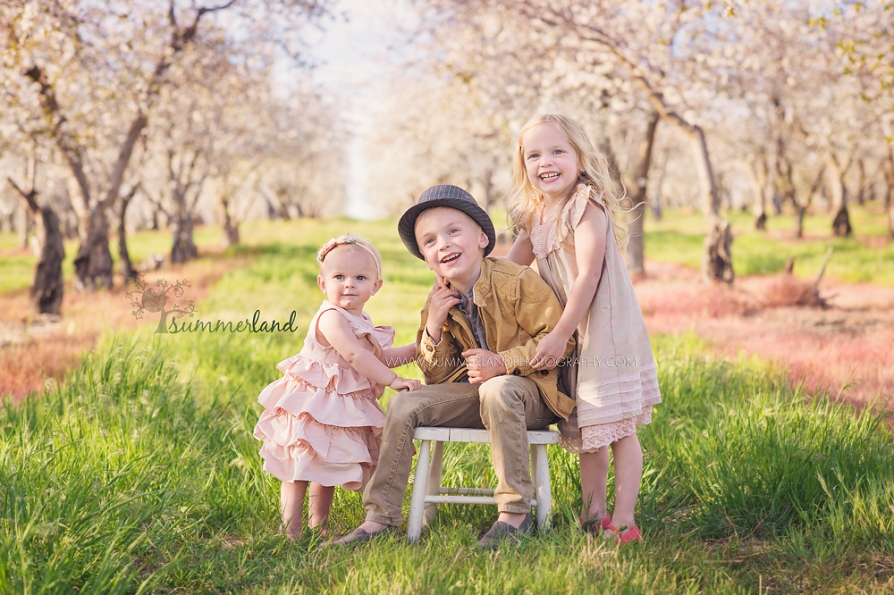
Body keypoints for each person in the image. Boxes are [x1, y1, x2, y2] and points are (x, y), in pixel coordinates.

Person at [334, 185, 575, 549]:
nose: (442, 244)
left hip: (533, 394)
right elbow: (437, 377)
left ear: (482, 238)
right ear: (428, 261)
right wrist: (432, 325)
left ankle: (514, 514)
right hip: (478, 396)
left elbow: (560, 340)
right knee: (405, 402)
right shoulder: (440, 299)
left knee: (498, 388)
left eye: (453, 231)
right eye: (429, 241)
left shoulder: (517, 281)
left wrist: (503, 363)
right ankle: (380, 518)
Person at [505, 114, 662, 544]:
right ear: (524, 164)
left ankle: (625, 521)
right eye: (534, 154)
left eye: (557, 151)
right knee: (587, 429)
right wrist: (460, 274)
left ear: (579, 157)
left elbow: (589, 276)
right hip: (571, 332)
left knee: (617, 426)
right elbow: (506, 271)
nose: (546, 162)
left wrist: (557, 335)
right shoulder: (535, 214)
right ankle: (593, 518)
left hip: (603, 329)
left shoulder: (584, 205)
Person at [253, 235, 420, 541]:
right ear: (322, 283)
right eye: (339, 277)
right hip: (311, 402)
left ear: (376, 286)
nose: (349, 284)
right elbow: (356, 356)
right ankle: (290, 527)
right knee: (300, 466)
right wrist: (394, 382)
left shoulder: (363, 319)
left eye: (360, 278)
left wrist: (418, 348)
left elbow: (379, 359)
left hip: (337, 405)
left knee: (325, 465)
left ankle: (320, 524)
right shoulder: (331, 318)